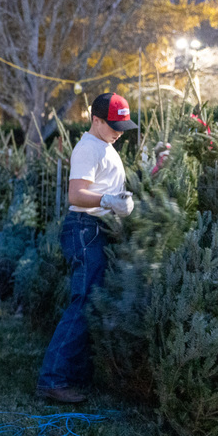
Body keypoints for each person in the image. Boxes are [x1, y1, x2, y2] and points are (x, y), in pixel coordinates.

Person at [36, 92, 137, 404]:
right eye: (113, 124)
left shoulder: (105, 146)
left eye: (123, 124)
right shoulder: (87, 148)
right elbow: (77, 195)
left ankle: (74, 374)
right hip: (85, 229)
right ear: (95, 119)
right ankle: (51, 380)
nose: (119, 130)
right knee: (82, 303)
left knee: (89, 303)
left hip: (97, 230)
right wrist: (107, 201)